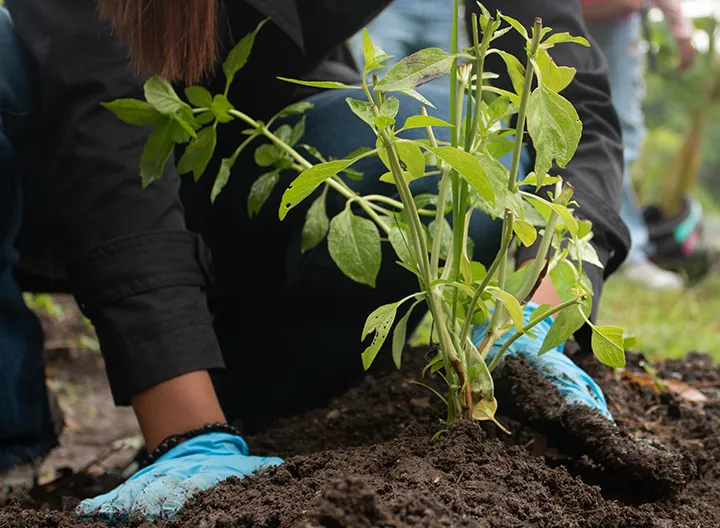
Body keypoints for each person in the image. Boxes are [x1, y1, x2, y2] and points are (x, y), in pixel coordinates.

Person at [0, 0, 629, 522]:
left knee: (428, 167)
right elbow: (107, 129)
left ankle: (263, 403)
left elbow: (569, 94)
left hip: (247, 152)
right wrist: (186, 436)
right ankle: (16, 439)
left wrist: (543, 312)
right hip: (57, 145)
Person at [582, 0, 696, 290]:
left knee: (618, 134)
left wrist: (678, 22)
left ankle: (622, 249)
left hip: (613, 19)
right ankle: (625, 252)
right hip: (552, 13)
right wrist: (680, 25)